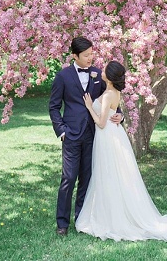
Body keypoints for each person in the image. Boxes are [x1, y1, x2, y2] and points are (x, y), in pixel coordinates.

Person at [75, 61, 167, 243]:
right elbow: (112, 113)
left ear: (110, 77)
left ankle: (110, 218)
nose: (101, 70)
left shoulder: (109, 94)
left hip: (107, 136)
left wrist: (89, 106)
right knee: (112, 175)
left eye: (104, 70)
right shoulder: (113, 92)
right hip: (113, 135)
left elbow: (101, 123)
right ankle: (109, 213)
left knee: (109, 175)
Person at [49, 37, 123, 236]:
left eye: (92, 54)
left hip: (94, 135)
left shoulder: (99, 75)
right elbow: (54, 107)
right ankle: (62, 224)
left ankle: (81, 219)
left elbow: (111, 99)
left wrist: (120, 115)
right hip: (71, 135)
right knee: (69, 178)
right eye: (86, 55)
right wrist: (62, 131)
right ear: (75, 56)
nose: (91, 58)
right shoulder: (62, 76)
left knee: (87, 179)